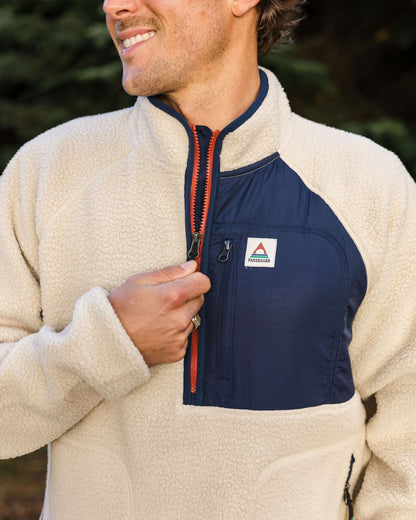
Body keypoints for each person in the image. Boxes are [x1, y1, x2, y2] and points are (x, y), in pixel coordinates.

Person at [0, 0, 415, 518]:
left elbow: (409, 430)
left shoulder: (371, 186)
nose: (113, 6)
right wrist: (107, 344)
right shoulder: (45, 173)